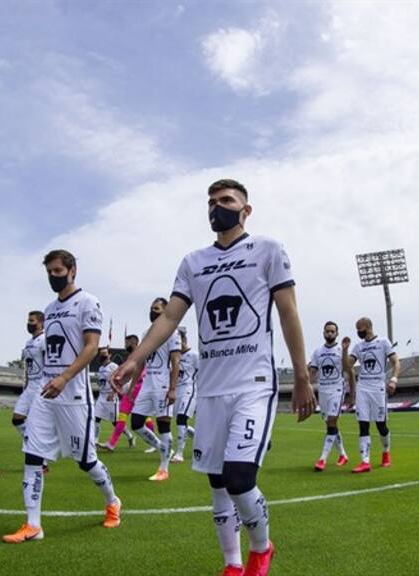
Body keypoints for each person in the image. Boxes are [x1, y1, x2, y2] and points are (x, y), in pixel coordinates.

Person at [113, 179, 316, 576]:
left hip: (253, 383)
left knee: (239, 478)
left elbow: (288, 312)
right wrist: (136, 358)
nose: (216, 207)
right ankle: (232, 564)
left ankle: (261, 549)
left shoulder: (268, 249)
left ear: (246, 210)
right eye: (211, 202)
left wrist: (302, 375)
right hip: (210, 389)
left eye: (225, 200)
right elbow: (170, 317)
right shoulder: (193, 262)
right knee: (218, 483)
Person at [2, 249, 121, 544]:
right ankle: (33, 525)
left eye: (57, 271)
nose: (53, 277)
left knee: (86, 461)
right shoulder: (50, 309)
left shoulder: (88, 302)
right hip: (46, 391)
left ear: (72, 270)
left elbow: (91, 347)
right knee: (32, 455)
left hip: (74, 394)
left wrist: (65, 377)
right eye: (49, 272)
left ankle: (112, 502)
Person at [125, 297, 181, 482]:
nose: (152, 312)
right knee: (136, 423)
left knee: (163, 425)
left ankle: (164, 469)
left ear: (165, 311)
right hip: (147, 385)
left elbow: (175, 362)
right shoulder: (146, 333)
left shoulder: (172, 332)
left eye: (156, 309)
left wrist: (172, 389)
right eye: (151, 308)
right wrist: (132, 386)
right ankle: (163, 448)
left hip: (162, 385)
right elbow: (140, 362)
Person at [344, 317, 401, 473]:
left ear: (368, 327)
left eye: (359, 329)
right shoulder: (358, 346)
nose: (358, 332)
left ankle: (386, 451)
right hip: (362, 387)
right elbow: (347, 366)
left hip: (378, 387)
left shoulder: (383, 342)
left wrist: (394, 379)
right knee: (363, 424)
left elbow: (396, 362)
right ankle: (365, 461)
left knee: (381, 426)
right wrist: (345, 350)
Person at [309, 322, 353, 471]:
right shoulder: (317, 352)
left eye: (332, 331)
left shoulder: (341, 350)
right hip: (323, 390)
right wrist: (307, 386)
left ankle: (322, 459)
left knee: (332, 421)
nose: (329, 333)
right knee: (330, 424)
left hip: (337, 390)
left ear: (337, 333)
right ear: (323, 333)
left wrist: (345, 350)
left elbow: (347, 369)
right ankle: (343, 455)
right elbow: (313, 371)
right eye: (327, 331)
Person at [99, 334, 153, 451]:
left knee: (140, 417)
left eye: (127, 343)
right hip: (133, 388)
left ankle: (153, 443)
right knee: (126, 415)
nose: (125, 345)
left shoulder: (141, 355)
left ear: (133, 343)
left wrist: (120, 384)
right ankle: (111, 444)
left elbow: (140, 372)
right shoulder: (132, 356)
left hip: (139, 388)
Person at [11, 311, 46, 439]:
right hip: (30, 385)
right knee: (17, 418)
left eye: (32, 321)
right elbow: (27, 366)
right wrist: (26, 384)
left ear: (41, 323)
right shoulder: (28, 342)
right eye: (28, 321)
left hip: (41, 385)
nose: (29, 324)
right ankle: (31, 441)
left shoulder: (44, 340)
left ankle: (35, 445)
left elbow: (47, 363)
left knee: (37, 421)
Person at [171, 328, 197, 463]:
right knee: (181, 422)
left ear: (184, 340)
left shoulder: (194, 355)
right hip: (176, 392)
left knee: (181, 419)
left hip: (189, 390)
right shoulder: (173, 356)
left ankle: (179, 453)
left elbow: (203, 374)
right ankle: (200, 438)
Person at [94, 347, 120, 444]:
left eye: (105, 353)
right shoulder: (100, 368)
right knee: (96, 419)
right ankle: (95, 440)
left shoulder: (114, 366)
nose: (102, 355)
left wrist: (113, 393)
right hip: (101, 396)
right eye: (101, 353)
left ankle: (130, 436)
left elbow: (119, 381)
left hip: (111, 397)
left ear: (110, 355)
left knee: (115, 422)